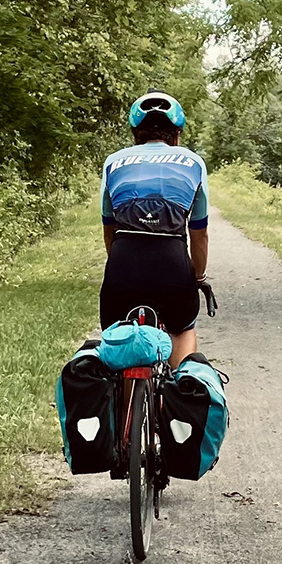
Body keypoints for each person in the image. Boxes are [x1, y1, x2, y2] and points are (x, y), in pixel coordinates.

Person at [99, 90, 210, 367]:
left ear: (135, 134)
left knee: (118, 337)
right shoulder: (193, 162)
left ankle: (119, 403)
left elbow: (109, 228)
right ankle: (181, 391)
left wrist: (119, 263)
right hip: (171, 260)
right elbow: (199, 233)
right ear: (177, 135)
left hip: (123, 260)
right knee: (182, 328)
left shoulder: (114, 161)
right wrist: (198, 276)